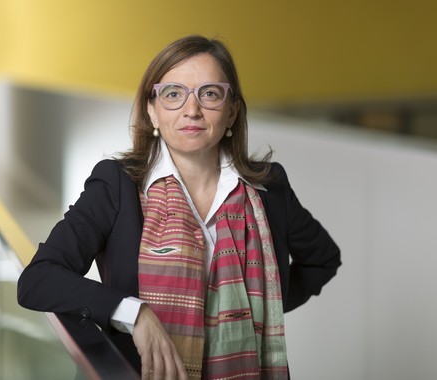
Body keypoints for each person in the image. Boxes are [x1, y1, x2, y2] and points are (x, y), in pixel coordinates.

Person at [17, 35, 341, 380]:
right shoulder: (117, 185)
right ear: (152, 110)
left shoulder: (269, 189)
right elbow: (38, 279)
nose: (192, 110)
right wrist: (134, 313)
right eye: (173, 94)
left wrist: (261, 306)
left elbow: (323, 258)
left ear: (231, 111)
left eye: (210, 93)